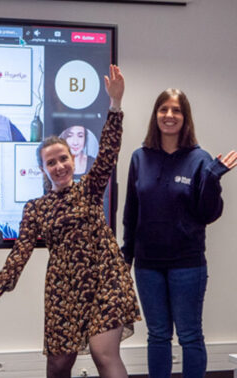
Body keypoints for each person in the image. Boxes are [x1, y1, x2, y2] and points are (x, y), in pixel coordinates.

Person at [0, 65, 140, 378]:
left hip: (106, 280)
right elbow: (19, 254)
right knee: (59, 365)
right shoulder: (35, 209)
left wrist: (115, 105)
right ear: (43, 169)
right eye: (52, 162)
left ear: (73, 159)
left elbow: (107, 151)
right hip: (64, 291)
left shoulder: (89, 188)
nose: (60, 165)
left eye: (63, 158)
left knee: (104, 354)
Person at [122, 88, 237, 378]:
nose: (169, 116)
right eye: (164, 109)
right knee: (158, 335)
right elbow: (131, 211)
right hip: (148, 265)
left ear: (185, 118)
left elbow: (208, 214)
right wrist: (126, 256)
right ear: (156, 115)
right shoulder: (140, 158)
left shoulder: (200, 160)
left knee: (189, 335)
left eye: (176, 110)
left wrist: (212, 178)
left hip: (187, 262)